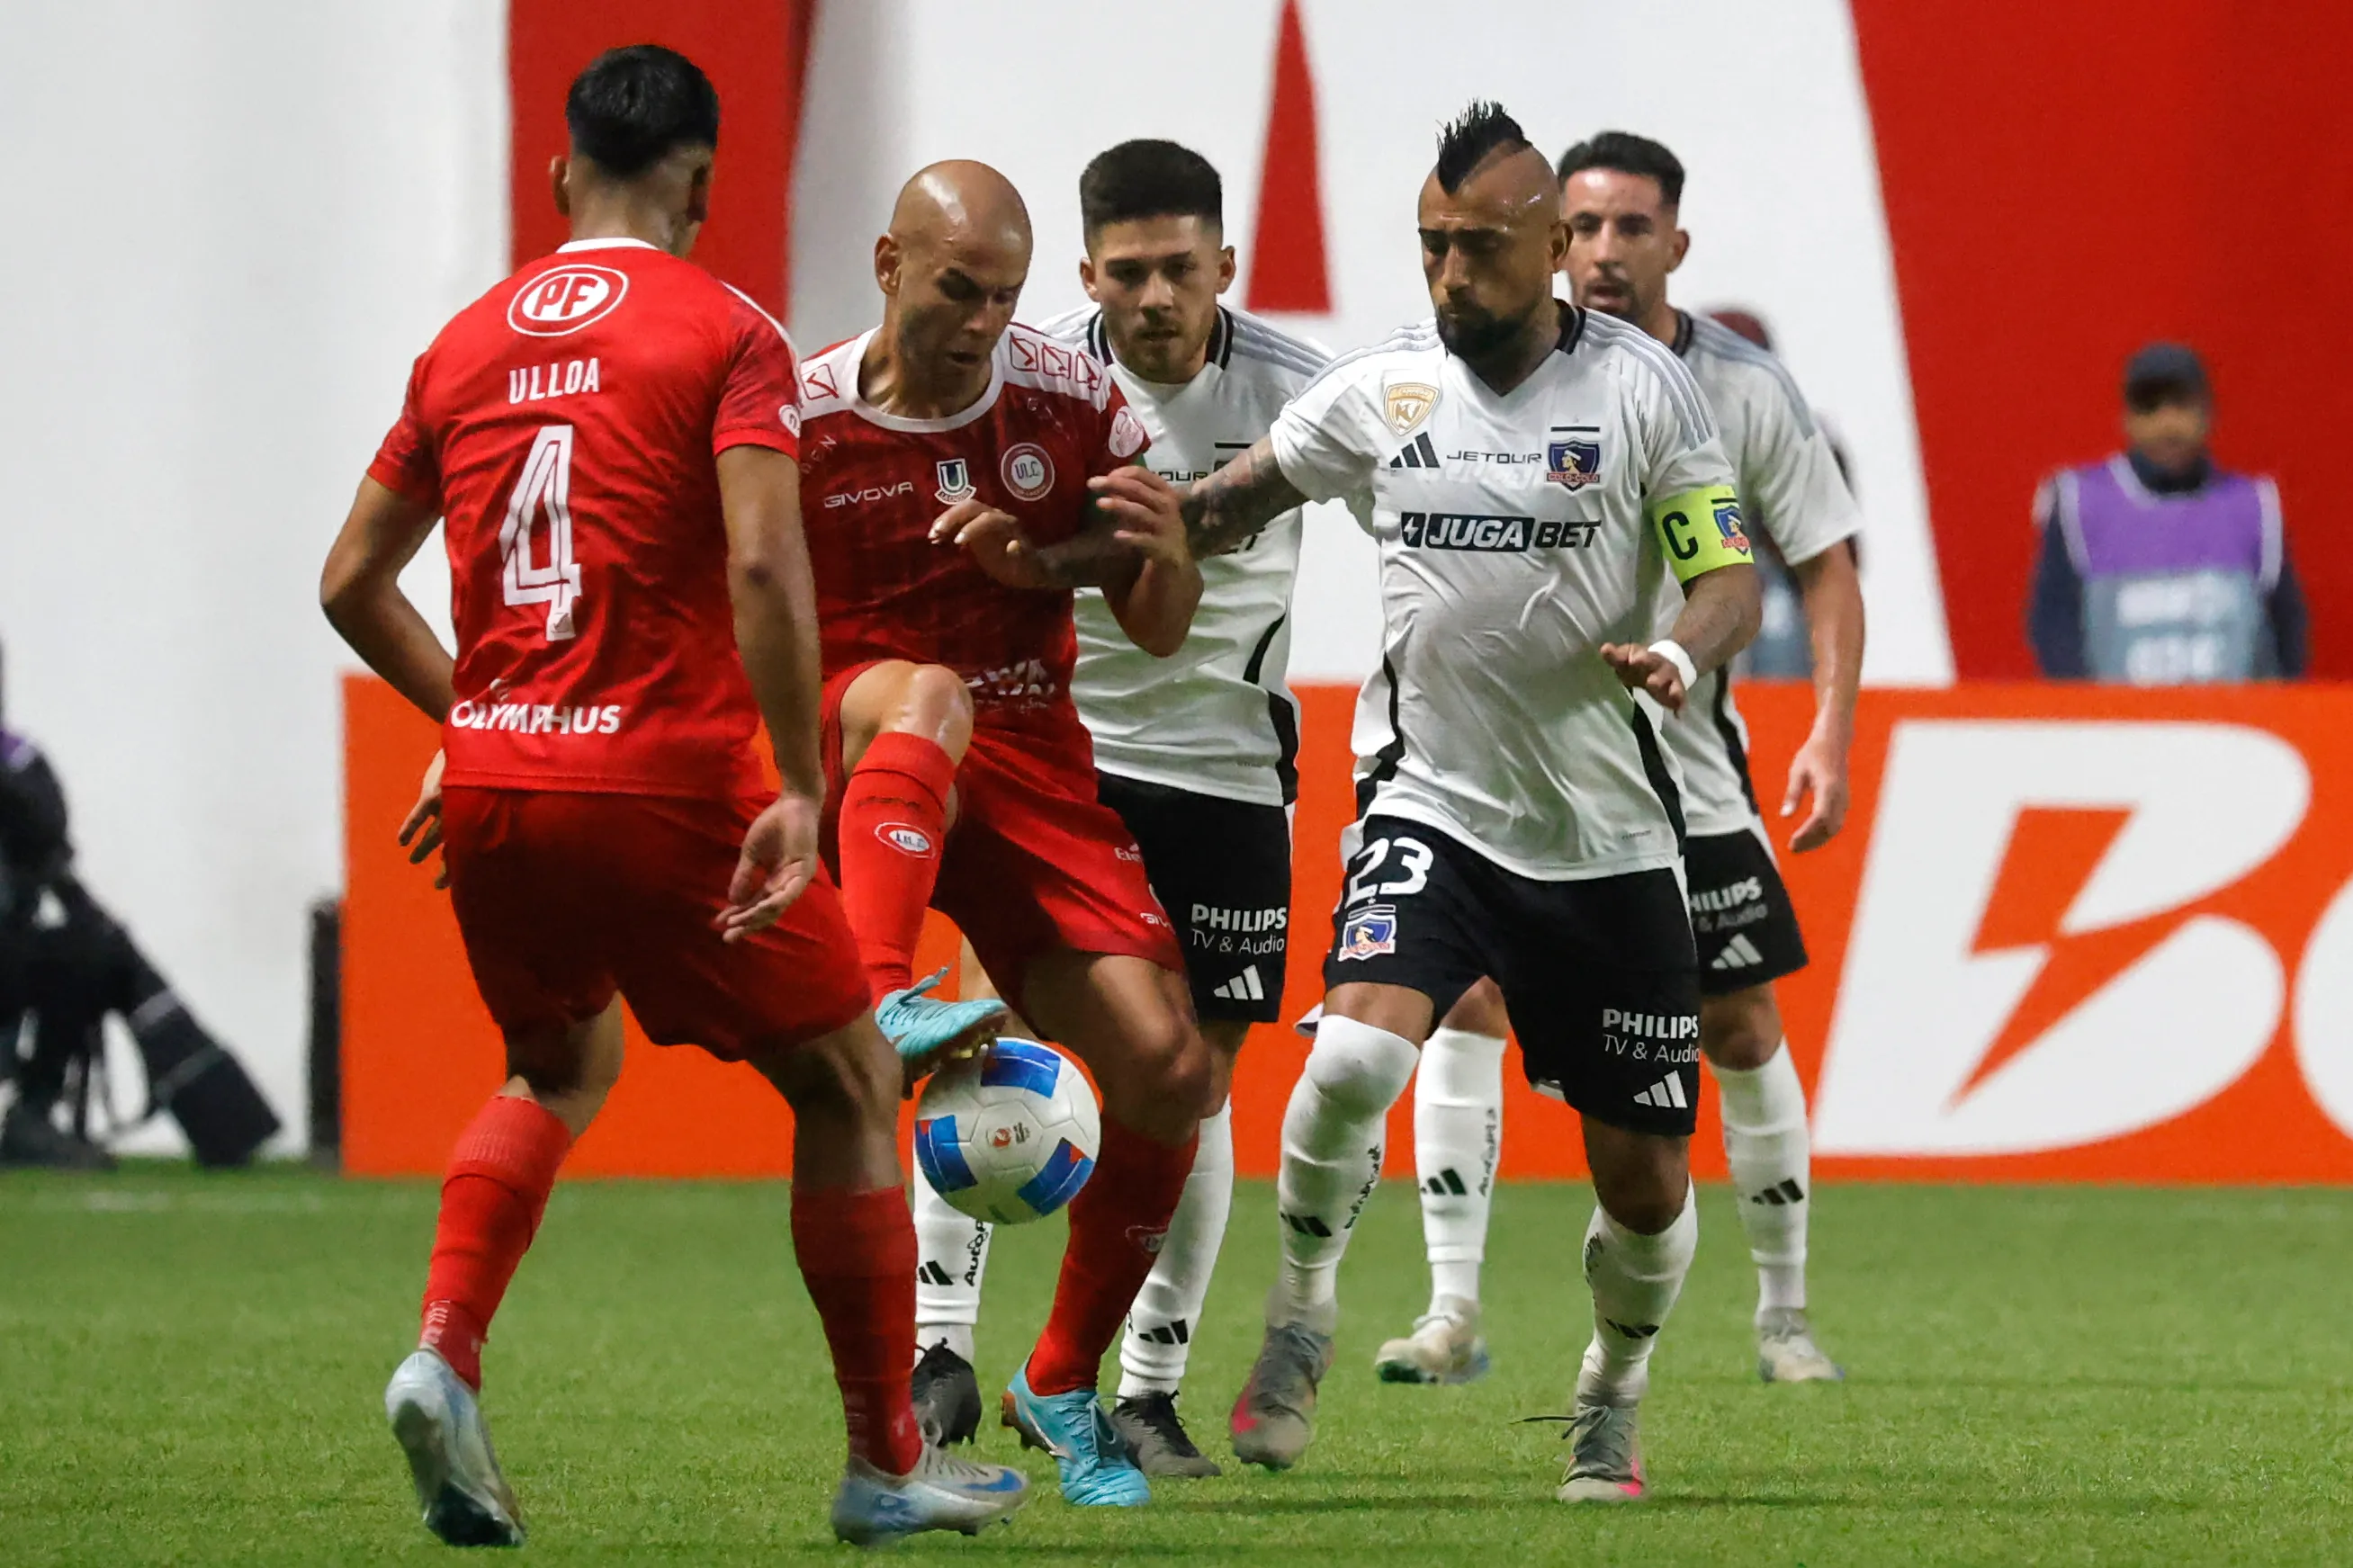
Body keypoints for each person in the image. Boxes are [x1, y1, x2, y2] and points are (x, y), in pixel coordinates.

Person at [317, 47, 1027, 1547]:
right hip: (662, 778)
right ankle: (884, 1457)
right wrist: (797, 776)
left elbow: (349, 584)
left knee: (558, 1066)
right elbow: (766, 565)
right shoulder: (725, 329)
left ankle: (443, 1345)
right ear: (700, 185)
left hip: (504, 782)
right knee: (845, 1078)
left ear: (563, 172)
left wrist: (486, 720)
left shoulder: (460, 346)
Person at [1163, 103, 1759, 1501]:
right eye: (1431, 244)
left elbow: (1724, 570)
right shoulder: (1384, 389)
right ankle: (1299, 1310)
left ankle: (1610, 1389)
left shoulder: (1641, 392)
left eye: (1480, 248)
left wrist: (1681, 644)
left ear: (1552, 246)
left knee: (1647, 1191)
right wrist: (1056, 546)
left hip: (1606, 840)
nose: (1448, 274)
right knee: (1348, 1061)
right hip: (1429, 799)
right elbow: (1223, 502)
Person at [1377, 131, 1864, 1393]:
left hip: (1686, 779)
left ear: (1672, 245)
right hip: (1515, 775)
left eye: (1628, 228)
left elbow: (1816, 564)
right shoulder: (1483, 371)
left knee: (1737, 1021)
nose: (1601, 250)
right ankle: (1448, 1307)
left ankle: (1782, 1312)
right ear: (1552, 240)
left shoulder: (1737, 387)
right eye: (1582, 227)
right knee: (1464, 997)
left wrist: (1827, 726)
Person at [900, 139, 1329, 1478]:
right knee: (985, 1030)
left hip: (1228, 777)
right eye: (1127, 271)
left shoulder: (1304, 399)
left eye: (1180, 270)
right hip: (1063, 756)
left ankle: (1134, 1384)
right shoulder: (1028, 389)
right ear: (1084, 273)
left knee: (1186, 1089)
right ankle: (937, 1346)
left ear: (1226, 267)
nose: (1154, 295)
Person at [795, 158, 1218, 1508]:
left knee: (1166, 1066)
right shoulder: (798, 415)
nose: (981, 322)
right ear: (885, 262)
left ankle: (1055, 1377)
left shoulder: (1071, 401)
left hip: (1025, 757)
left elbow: (1157, 621)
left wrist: (1169, 554)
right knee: (922, 692)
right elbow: (726, 594)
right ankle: (877, 994)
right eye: (954, 289)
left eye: (1004, 295)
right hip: (860, 734)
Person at [2028, 343, 2306, 682]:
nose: (2167, 423)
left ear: (2208, 413)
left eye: (2182, 404)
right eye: (2150, 406)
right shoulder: (2082, 504)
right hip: (2126, 730)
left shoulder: (2252, 505)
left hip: (2228, 729)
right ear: (2126, 419)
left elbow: (2288, 631)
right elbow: (2054, 627)